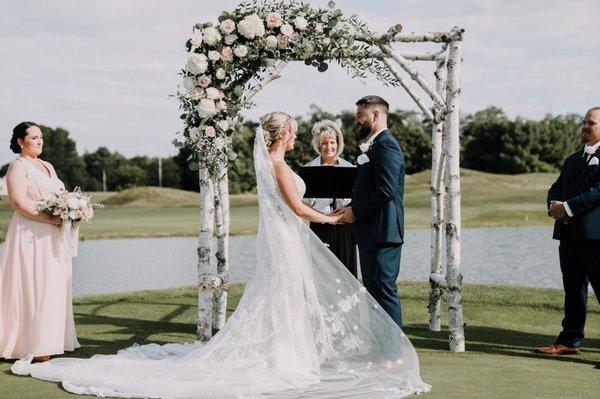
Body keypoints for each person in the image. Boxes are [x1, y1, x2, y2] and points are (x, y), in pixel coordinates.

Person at [12, 112, 430, 398]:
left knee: (282, 297)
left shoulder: (272, 163)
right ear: (283, 135)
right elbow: (299, 210)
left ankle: (290, 351)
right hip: (288, 239)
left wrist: (325, 216)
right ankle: (286, 357)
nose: (298, 137)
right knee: (285, 296)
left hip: (282, 239)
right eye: (295, 132)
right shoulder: (281, 166)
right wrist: (337, 219)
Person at [0, 122, 80, 362]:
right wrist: (51, 218)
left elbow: (59, 197)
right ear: (20, 141)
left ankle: (51, 339)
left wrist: (71, 211)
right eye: (34, 137)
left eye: (41, 137)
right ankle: (33, 344)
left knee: (54, 285)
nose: (39, 141)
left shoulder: (47, 166)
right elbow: (19, 203)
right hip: (31, 234)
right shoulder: (18, 166)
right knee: (36, 285)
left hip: (53, 235)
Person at [335, 95, 406, 328]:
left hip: (381, 232)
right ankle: (382, 350)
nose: (356, 121)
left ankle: (395, 354)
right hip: (371, 231)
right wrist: (350, 206)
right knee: (375, 293)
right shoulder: (375, 145)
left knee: (384, 293)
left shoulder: (386, 145)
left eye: (360, 115)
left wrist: (355, 211)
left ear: (375, 115)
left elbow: (386, 190)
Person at [538, 107, 600, 355]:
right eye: (584, 122)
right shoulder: (572, 159)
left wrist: (569, 207)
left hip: (596, 237)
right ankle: (569, 341)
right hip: (569, 236)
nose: (586, 126)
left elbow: (598, 192)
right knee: (573, 291)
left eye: (592, 122)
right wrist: (553, 205)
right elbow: (556, 187)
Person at [303, 120, 357, 276]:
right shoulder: (309, 169)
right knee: (322, 272)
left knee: (346, 271)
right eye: (324, 143)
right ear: (318, 145)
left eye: (332, 142)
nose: (329, 147)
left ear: (338, 143)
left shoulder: (349, 168)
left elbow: (355, 199)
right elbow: (305, 203)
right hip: (320, 226)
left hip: (345, 226)